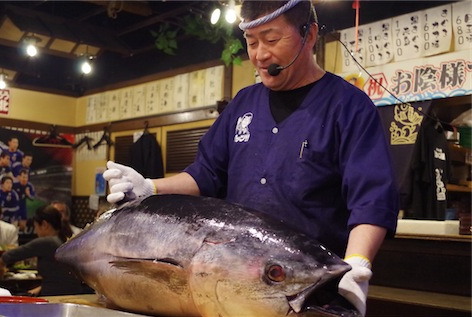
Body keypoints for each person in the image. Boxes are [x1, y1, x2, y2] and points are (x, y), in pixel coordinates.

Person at [103, 1, 399, 315]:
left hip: (310, 294)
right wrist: (150, 187)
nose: (259, 55)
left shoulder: (348, 106)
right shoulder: (243, 103)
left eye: (271, 40)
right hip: (234, 292)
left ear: (309, 35)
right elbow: (205, 174)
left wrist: (357, 263)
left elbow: (372, 198)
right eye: (252, 43)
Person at [0, 205, 89, 296]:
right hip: (70, 292)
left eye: (36, 227)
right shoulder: (63, 238)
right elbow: (58, 277)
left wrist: (0, 265)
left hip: (56, 296)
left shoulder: (48, 242)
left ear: (44, 225)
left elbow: (11, 255)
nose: (36, 231)